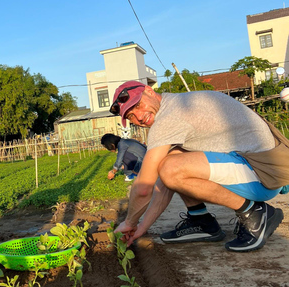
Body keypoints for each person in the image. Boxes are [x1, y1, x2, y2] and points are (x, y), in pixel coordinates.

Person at [111, 80, 285, 252]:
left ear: (149, 91)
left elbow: (144, 187)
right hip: (268, 168)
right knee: (172, 159)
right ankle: (201, 220)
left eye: (138, 105)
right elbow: (163, 185)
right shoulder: (177, 103)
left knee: (171, 168)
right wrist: (141, 227)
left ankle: (255, 213)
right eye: (131, 116)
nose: (139, 117)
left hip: (263, 174)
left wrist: (129, 223)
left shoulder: (169, 118)